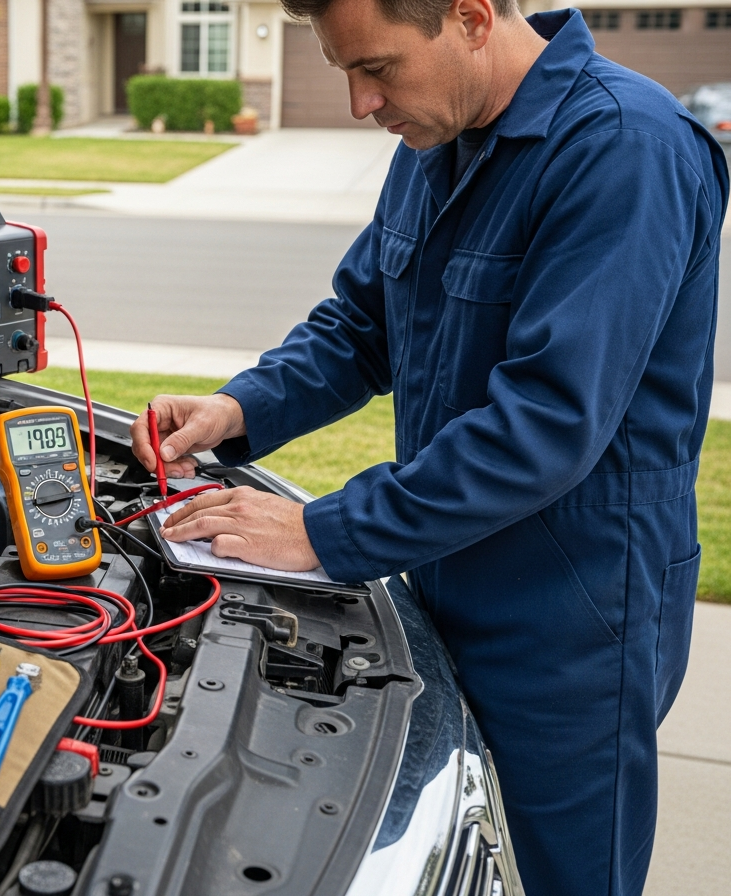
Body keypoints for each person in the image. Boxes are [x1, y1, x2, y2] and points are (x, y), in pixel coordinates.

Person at [130, 3, 728, 895]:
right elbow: (361, 327)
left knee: (573, 877)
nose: (361, 102)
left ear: (471, 16)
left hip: (574, 615)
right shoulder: (438, 134)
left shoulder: (625, 149)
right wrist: (236, 408)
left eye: (376, 66)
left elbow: (546, 423)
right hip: (436, 573)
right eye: (343, 70)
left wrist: (323, 534)